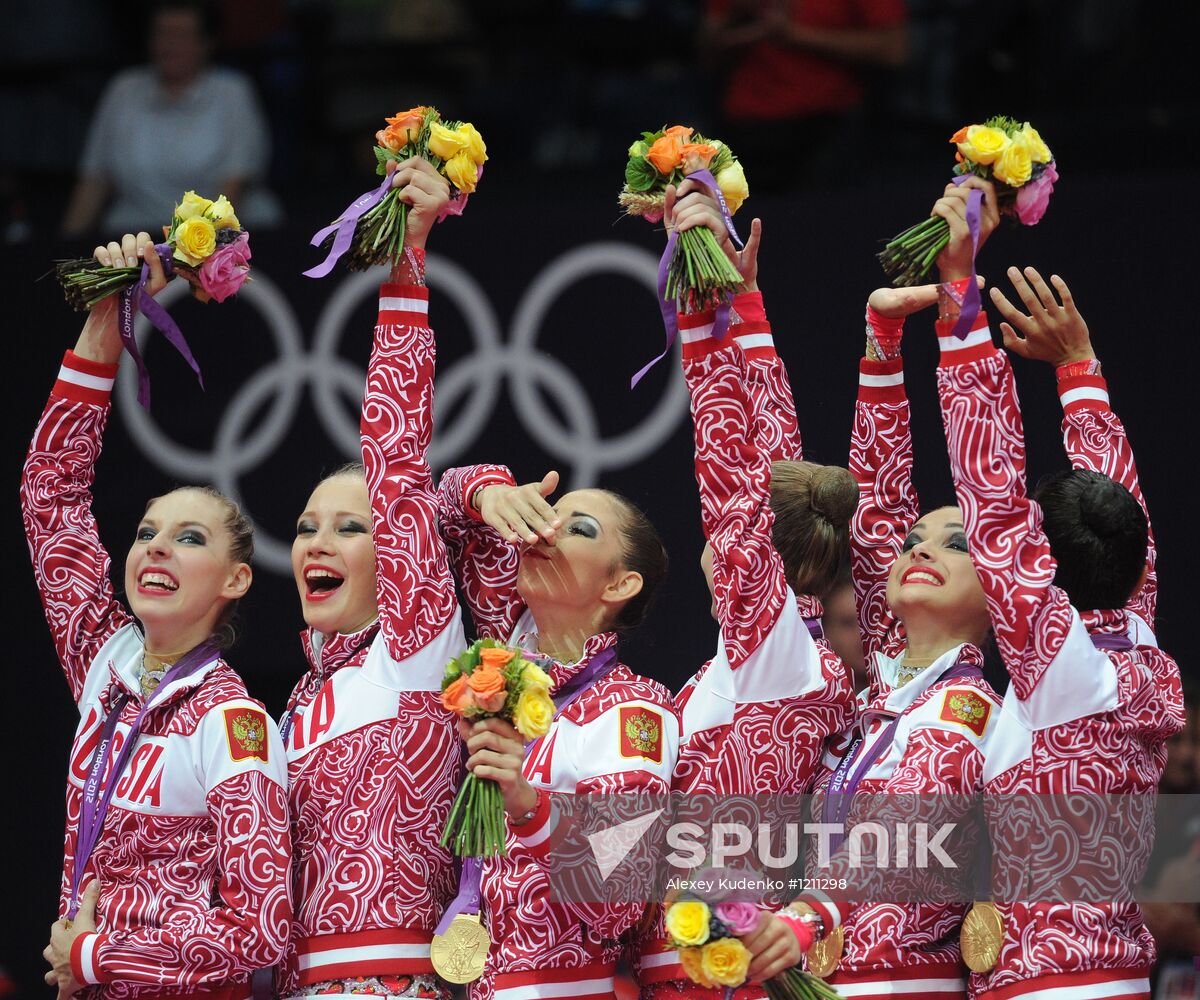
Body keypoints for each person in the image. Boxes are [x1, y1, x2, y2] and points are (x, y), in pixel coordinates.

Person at [742, 179, 1005, 1000]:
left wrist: (811, 915)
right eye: (914, 543)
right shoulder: (879, 693)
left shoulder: (966, 715)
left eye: (955, 544)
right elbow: (876, 500)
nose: (919, 548)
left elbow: (904, 836)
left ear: (1003, 587)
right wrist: (882, 342)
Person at [25, 231, 290, 999]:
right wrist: (109, 317)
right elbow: (52, 495)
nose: (155, 551)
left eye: (189, 538)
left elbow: (261, 927)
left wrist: (99, 957)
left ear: (237, 579)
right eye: (146, 533)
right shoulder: (106, 666)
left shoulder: (233, 722)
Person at [628, 181, 857, 998]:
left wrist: (698, 313)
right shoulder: (772, 647)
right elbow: (775, 466)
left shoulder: (776, 650)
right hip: (690, 961)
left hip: (720, 970)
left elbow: (732, 480)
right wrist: (747, 310)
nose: (717, 546)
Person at [948, 265, 1186, 1000]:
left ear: (1043, 563)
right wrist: (1078, 369)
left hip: (1054, 986)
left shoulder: (1061, 669)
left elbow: (989, 496)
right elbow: (1116, 511)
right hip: (1102, 976)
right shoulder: (1136, 640)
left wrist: (963, 310)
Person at [276, 161, 471, 1000]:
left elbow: (396, 462)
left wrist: (408, 263)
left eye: (352, 527)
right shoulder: (281, 711)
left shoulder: (414, 652)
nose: (320, 541)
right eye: (307, 527)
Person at [62, 0, 280, 236]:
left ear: (206, 43)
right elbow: (95, 178)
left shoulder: (232, 91)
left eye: (181, 35)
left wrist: (192, 252)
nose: (169, 44)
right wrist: (65, 244)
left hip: (218, 235)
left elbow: (236, 183)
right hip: (137, 227)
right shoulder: (123, 89)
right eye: (161, 33)